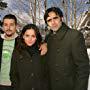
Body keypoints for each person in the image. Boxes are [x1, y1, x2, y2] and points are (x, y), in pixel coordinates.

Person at [44, 7, 89, 90]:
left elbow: (83, 68)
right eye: (49, 20)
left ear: (61, 18)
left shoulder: (74, 35)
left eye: (55, 18)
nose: (53, 22)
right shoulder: (48, 39)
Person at [10, 24, 48, 90]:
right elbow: (13, 74)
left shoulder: (42, 51)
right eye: (27, 35)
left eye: (33, 36)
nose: (30, 39)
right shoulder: (17, 52)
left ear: (36, 37)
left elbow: (47, 73)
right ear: (23, 36)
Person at [0, 14, 18, 90]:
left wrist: (44, 44)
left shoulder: (21, 42)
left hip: (14, 84)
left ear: (16, 26)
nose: (8, 28)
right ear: (3, 26)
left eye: (11, 25)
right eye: (6, 25)